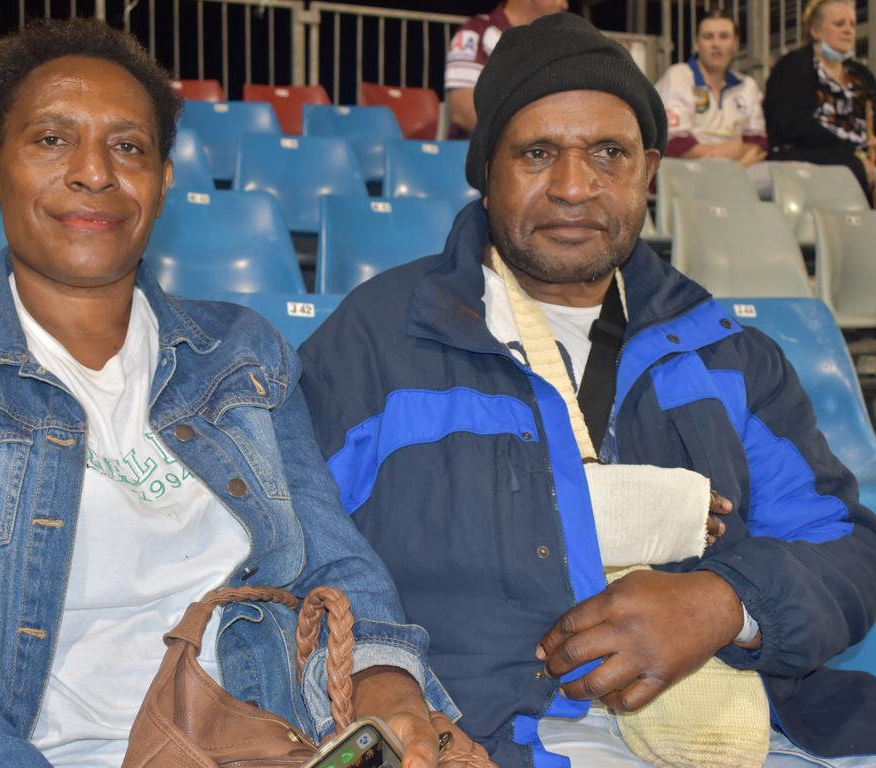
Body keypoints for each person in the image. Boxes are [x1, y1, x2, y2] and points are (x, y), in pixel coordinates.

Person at [0, 19, 457, 768]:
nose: (94, 172)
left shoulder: (241, 354)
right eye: (51, 139)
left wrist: (388, 680)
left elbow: (331, 559)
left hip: (267, 743)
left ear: (164, 181)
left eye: (129, 146)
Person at [300, 12, 876, 768]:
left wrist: (727, 604)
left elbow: (845, 547)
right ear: (486, 170)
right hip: (478, 739)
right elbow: (289, 559)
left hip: (756, 736)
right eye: (539, 153)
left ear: (649, 173)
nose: (574, 187)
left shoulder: (728, 354)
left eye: (609, 153)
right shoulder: (374, 343)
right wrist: (384, 679)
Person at [764, 0, 875, 196]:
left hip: (858, 154)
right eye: (839, 24)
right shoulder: (793, 66)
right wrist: (853, 152)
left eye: (852, 24)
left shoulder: (861, 74)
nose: (848, 30)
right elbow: (795, 125)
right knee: (851, 166)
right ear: (816, 31)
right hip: (806, 151)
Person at [654, 10, 767, 166]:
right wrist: (723, 156)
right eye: (708, 37)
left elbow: (758, 143)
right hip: (685, 170)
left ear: (735, 43)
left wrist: (738, 167)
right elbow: (674, 144)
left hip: (742, 167)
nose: (716, 44)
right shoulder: (678, 76)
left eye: (724, 36)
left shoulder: (747, 85)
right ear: (696, 43)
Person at [444, 0, 567, 138]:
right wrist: (524, 137)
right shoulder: (477, 31)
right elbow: (462, 110)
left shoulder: (558, 43)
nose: (564, 5)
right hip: (476, 151)